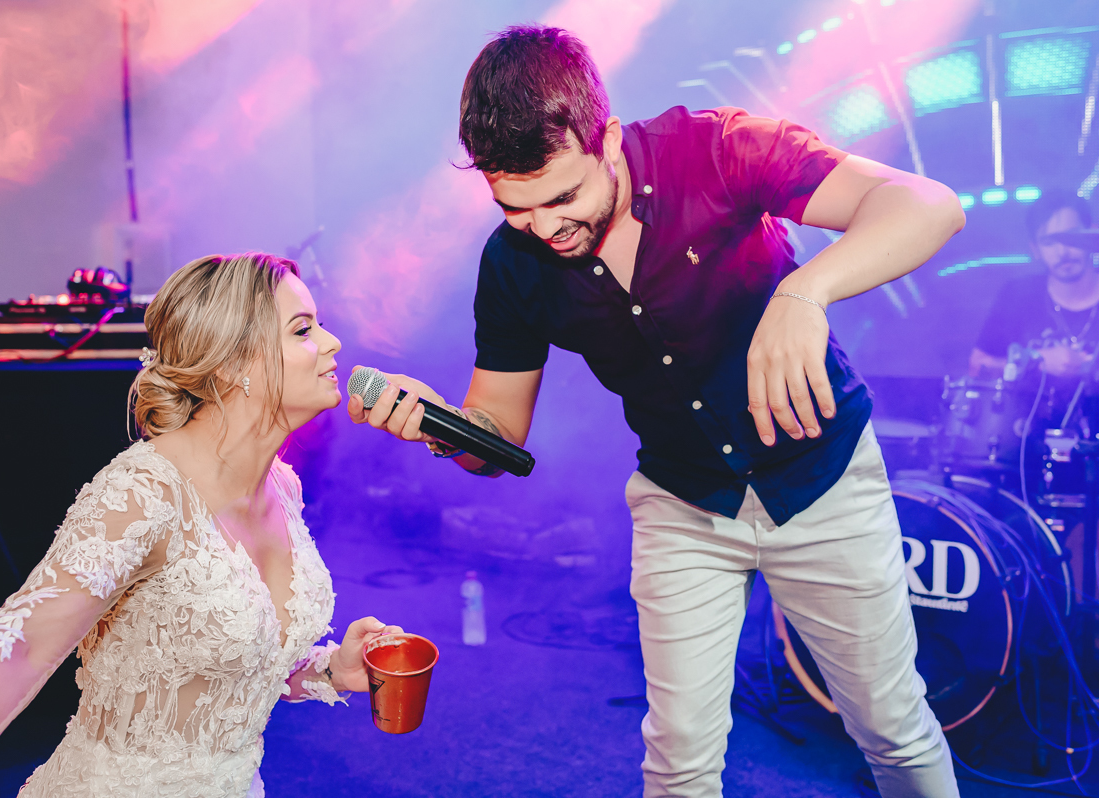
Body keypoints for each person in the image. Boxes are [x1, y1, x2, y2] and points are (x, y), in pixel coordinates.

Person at [349, 26, 965, 798]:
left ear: (606, 137)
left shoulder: (717, 150)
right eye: (516, 208)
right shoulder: (512, 265)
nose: (544, 227)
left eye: (562, 197)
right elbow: (498, 436)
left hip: (822, 483)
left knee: (893, 732)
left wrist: (804, 292)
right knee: (678, 763)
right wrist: (444, 427)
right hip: (682, 503)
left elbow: (929, 205)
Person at [0, 253, 401, 798]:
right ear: (233, 363)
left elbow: (231, 662)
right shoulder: (143, 494)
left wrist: (329, 670)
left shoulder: (283, 484)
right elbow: (21, 644)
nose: (331, 344)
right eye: (303, 329)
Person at [970, 191, 1097, 383]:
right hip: (1028, 413)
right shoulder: (1017, 296)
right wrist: (1036, 361)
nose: (1062, 252)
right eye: (1048, 242)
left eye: (1070, 238)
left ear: (1093, 234)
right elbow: (977, 367)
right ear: (1035, 249)